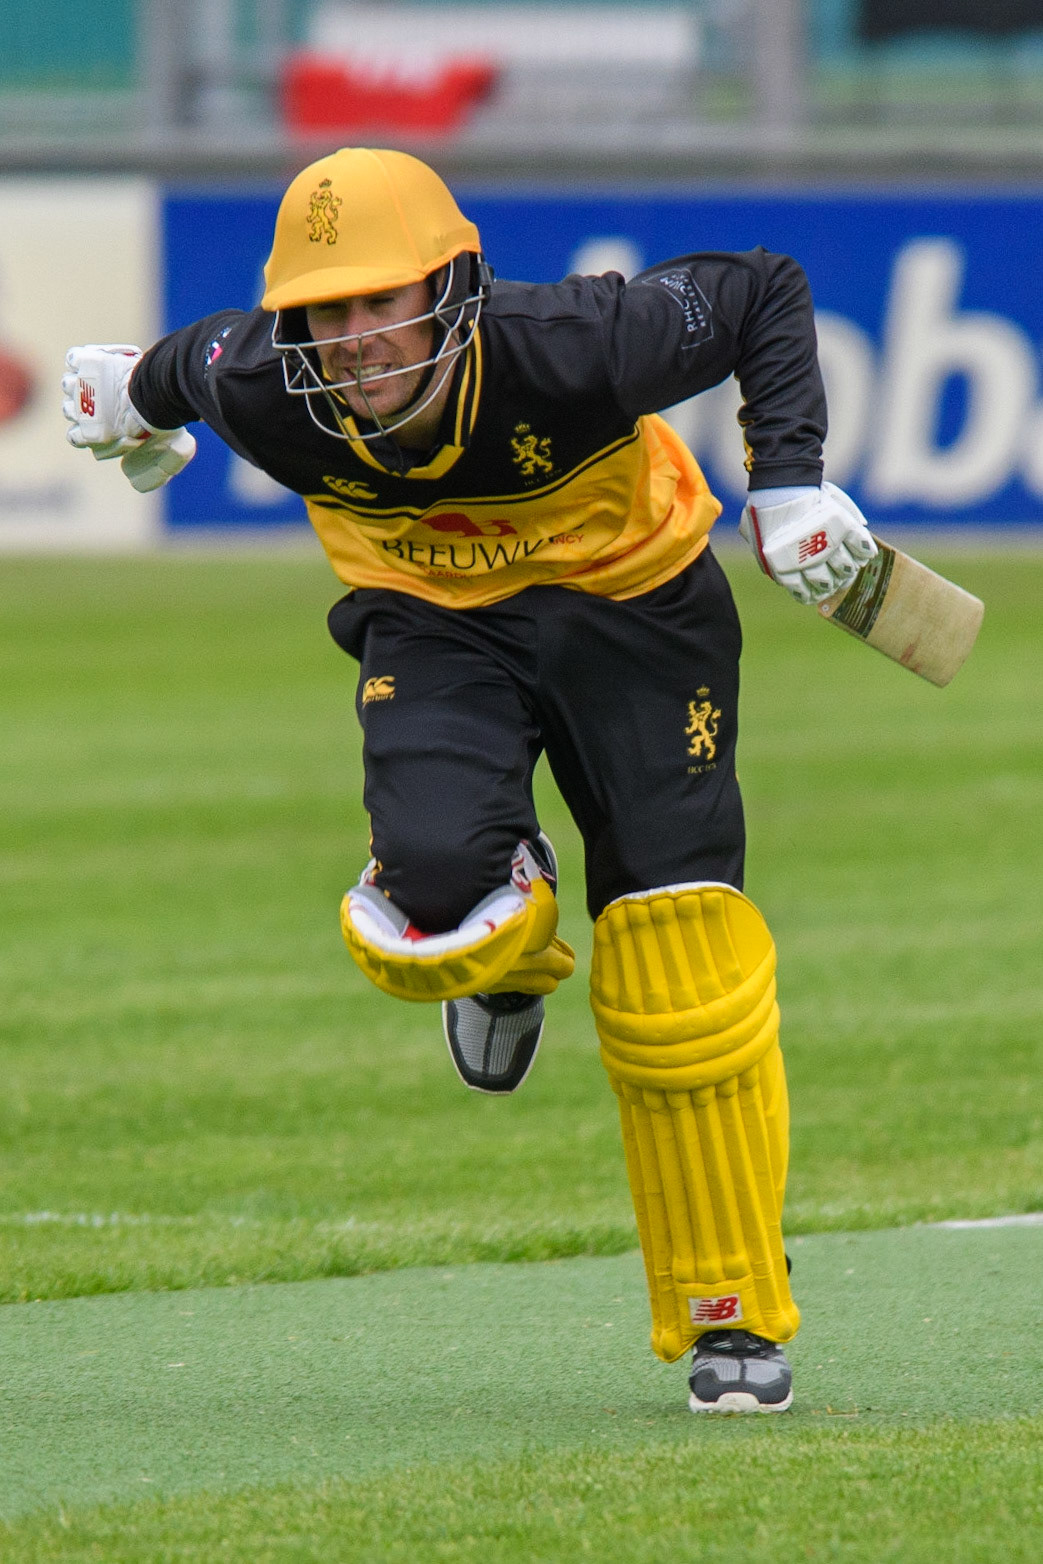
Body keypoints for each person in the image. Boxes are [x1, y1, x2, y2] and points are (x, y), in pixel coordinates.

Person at [62, 147, 877, 1415]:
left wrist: (786, 479)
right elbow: (175, 367)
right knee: (435, 899)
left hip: (632, 610)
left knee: (676, 953)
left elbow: (761, 287)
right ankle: (505, 943)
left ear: (450, 286)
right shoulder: (261, 381)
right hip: (433, 620)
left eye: (380, 301)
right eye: (323, 311)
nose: (353, 341)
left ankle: (728, 1311)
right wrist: (127, 395)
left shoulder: (573, 345)